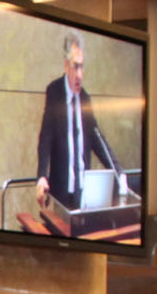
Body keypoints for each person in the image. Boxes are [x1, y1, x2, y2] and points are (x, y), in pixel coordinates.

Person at [35, 30, 125, 210]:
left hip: (83, 192)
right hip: (62, 192)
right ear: (66, 65)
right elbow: (46, 137)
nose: (80, 74)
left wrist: (119, 171)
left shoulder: (85, 99)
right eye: (75, 67)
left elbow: (98, 140)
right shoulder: (54, 92)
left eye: (82, 67)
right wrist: (42, 175)